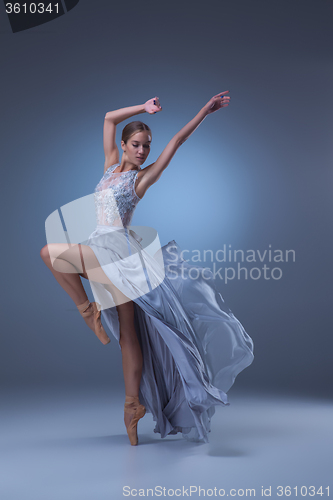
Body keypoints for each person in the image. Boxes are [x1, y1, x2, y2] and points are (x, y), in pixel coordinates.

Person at [40, 92, 254, 446]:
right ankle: (125, 388)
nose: (143, 151)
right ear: (123, 146)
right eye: (137, 145)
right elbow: (109, 117)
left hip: (119, 252)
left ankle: (126, 396)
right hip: (101, 246)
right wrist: (143, 107)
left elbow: (178, 141)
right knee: (59, 261)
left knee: (126, 331)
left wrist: (204, 110)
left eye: (147, 146)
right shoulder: (110, 166)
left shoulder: (142, 179)